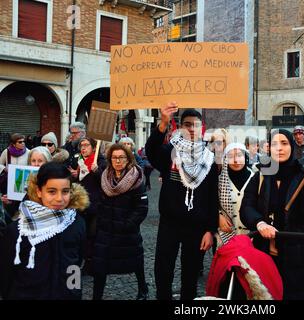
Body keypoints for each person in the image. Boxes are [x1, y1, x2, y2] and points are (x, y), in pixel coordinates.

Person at [146, 102, 218, 300]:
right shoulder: (170, 151)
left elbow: (213, 196)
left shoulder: (209, 158)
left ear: (201, 128)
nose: (192, 129)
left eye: (195, 125)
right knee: (163, 271)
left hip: (196, 226)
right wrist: (162, 124)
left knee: (190, 275)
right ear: (181, 127)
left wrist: (210, 230)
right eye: (187, 125)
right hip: (170, 223)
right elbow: (151, 152)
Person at [240, 129, 304, 300]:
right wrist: (260, 223)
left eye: (284, 143)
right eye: (275, 144)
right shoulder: (261, 175)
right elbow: (246, 207)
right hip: (264, 253)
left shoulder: (303, 175)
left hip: (296, 255)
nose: (279, 148)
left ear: (291, 146)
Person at [0, 162, 88, 299]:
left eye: (65, 191)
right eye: (52, 191)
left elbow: (76, 264)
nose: (59, 198)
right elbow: (6, 273)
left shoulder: (77, 223)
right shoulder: (18, 231)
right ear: (39, 192)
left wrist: (75, 293)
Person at [92, 143, 149, 300]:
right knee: (100, 265)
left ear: (128, 159)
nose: (118, 161)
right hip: (106, 230)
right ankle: (96, 297)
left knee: (135, 261)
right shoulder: (105, 175)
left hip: (126, 231)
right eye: (114, 157)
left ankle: (143, 288)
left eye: (121, 157)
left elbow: (141, 208)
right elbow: (97, 198)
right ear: (110, 159)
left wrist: (128, 224)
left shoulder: (136, 178)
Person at [75, 137, 106, 276]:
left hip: (96, 205)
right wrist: (74, 175)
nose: (83, 148)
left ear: (94, 148)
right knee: (82, 235)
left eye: (86, 145)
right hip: (81, 205)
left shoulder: (100, 162)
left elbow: (105, 183)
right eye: (81, 145)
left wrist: (97, 171)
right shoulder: (79, 161)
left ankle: (91, 264)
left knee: (92, 236)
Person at [217, 143, 255, 247]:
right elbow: (210, 203)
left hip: (252, 237)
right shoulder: (220, 181)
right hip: (226, 236)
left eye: (239, 155)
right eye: (230, 156)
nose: (235, 160)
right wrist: (218, 216)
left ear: (245, 157)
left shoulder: (255, 179)